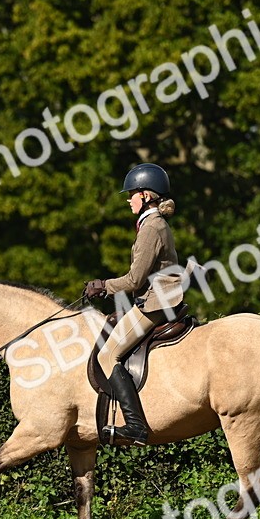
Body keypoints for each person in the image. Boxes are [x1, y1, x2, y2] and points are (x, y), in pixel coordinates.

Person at [84, 163, 185, 446]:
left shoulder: (152, 227)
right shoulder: (152, 224)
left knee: (107, 356)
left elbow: (134, 278)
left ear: (147, 196)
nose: (128, 199)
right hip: (153, 298)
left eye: (132, 194)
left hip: (156, 303)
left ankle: (135, 425)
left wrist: (103, 286)